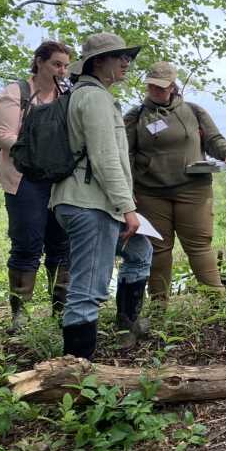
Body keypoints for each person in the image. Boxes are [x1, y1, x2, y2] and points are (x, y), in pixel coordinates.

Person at [50, 32, 153, 357]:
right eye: (118, 56)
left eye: (128, 57)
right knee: (87, 288)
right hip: (89, 203)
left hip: (90, 200)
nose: (126, 62)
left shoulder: (90, 95)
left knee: (139, 250)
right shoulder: (93, 98)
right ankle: (77, 376)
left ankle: (128, 322)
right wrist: (127, 207)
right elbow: (105, 156)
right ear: (98, 62)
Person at [124, 61, 226, 306]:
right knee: (157, 249)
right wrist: (128, 189)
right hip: (151, 193)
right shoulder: (136, 117)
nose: (156, 90)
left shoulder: (193, 111)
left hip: (193, 189)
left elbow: (214, 139)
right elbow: (126, 155)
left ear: (173, 87)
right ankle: (159, 304)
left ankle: (216, 301)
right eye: (152, 86)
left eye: (161, 86)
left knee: (199, 244)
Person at [0, 41, 72, 331]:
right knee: (26, 245)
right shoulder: (16, 93)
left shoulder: (66, 95)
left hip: (60, 180)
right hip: (24, 181)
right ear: (39, 62)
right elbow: (2, 136)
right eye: (56, 64)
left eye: (65, 65)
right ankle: (19, 315)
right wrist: (39, 152)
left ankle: (61, 312)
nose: (61, 70)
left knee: (62, 245)